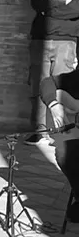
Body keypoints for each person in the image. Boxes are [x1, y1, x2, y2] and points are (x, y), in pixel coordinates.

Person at [27, 0, 79, 145]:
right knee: (37, 86)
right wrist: (61, 6)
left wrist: (49, 8)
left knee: (62, 88)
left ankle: (60, 132)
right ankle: (39, 131)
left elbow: (75, 10)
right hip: (40, 40)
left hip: (65, 42)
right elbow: (36, 3)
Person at [38, 72, 79, 222]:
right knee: (64, 152)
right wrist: (54, 105)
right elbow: (47, 82)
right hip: (75, 136)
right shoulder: (75, 78)